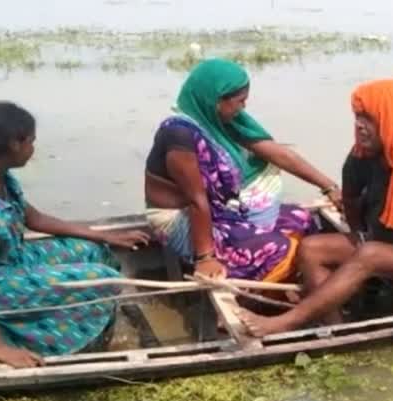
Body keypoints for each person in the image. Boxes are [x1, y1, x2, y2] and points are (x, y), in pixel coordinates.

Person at [239, 78, 393, 339]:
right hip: (392, 239)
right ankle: (336, 328)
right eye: (357, 116)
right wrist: (356, 235)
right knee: (312, 248)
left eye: (369, 118)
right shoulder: (365, 154)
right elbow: (351, 197)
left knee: (371, 254)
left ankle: (284, 323)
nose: (359, 125)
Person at [144, 58, 343, 283]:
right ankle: (253, 297)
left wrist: (329, 187)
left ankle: (286, 280)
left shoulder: (217, 122)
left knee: (303, 220)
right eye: (240, 101)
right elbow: (196, 201)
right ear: (217, 100)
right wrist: (205, 258)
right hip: (182, 220)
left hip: (218, 212)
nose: (243, 107)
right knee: (277, 248)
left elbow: (279, 154)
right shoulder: (179, 134)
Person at [0, 102, 149, 368]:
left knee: (93, 251)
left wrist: (100, 236)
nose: (33, 149)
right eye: (31, 142)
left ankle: (95, 321)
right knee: (103, 280)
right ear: (13, 144)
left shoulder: (2, 178)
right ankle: (25, 338)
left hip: (14, 261)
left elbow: (35, 218)